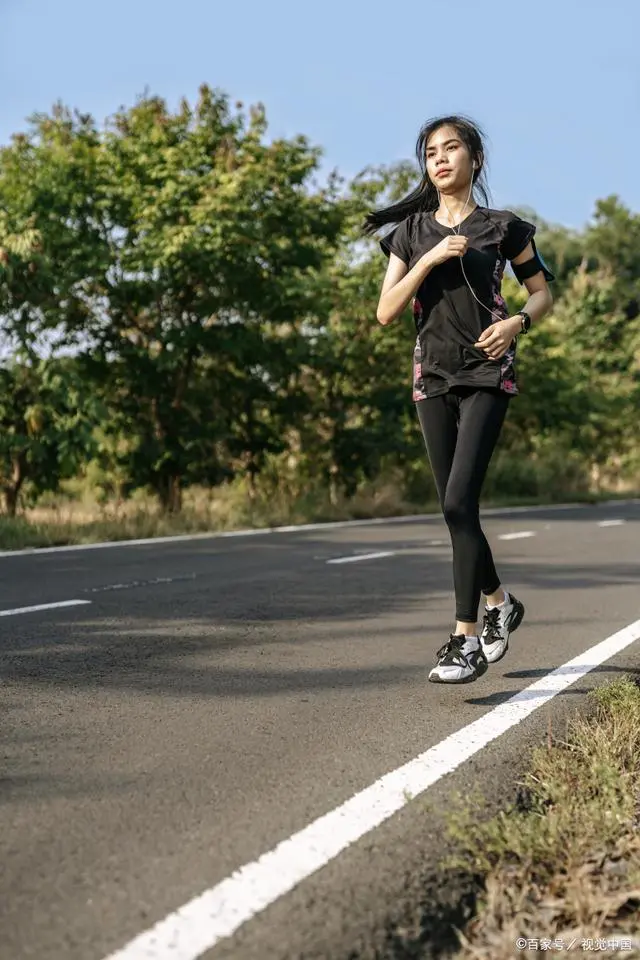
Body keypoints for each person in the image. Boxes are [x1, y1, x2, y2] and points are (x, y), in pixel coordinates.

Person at [363, 115, 554, 684]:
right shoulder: (410, 232)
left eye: (451, 149)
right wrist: (429, 258)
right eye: (430, 153)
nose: (439, 159)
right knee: (456, 507)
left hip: (489, 372)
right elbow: (386, 310)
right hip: (433, 376)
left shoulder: (504, 228)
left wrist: (517, 323)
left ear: (475, 158)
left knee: (457, 503)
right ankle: (500, 602)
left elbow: (541, 292)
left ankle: (464, 638)